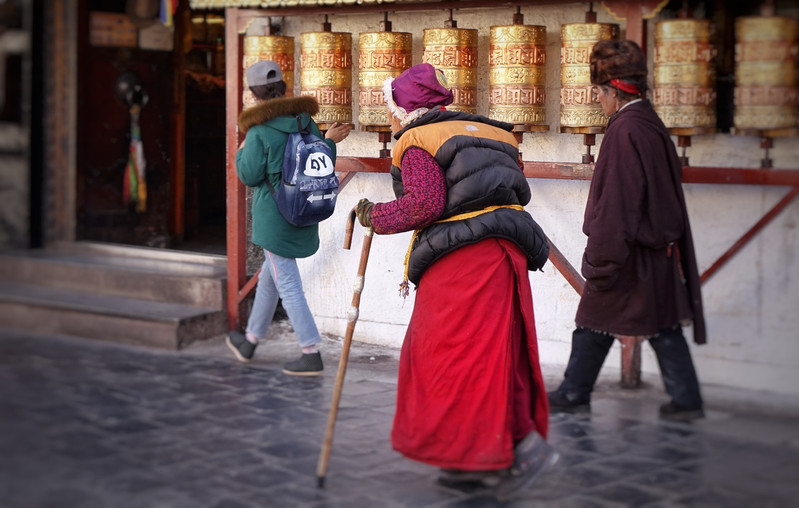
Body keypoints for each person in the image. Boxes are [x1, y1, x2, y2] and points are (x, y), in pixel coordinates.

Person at [355, 63, 557, 499]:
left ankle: (481, 455)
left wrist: (376, 215)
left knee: (450, 357)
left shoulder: (417, 139)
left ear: (406, 107)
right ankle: (492, 452)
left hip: (466, 261)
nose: (389, 117)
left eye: (390, 107)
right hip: (506, 252)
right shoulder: (493, 131)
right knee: (493, 354)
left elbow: (424, 204)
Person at [547, 40, 707, 421]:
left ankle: (574, 392)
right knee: (660, 323)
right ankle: (685, 400)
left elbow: (618, 203)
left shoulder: (625, 131)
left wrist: (602, 259)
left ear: (611, 91)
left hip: (629, 252)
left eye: (599, 93)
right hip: (655, 250)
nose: (598, 101)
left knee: (593, 320)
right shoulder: (648, 123)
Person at [226, 60, 351, 376]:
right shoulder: (303, 120)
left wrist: (242, 149)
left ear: (254, 94)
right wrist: (331, 141)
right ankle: (250, 341)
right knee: (271, 278)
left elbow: (249, 176)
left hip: (274, 216)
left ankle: (310, 352)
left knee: (288, 283)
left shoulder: (259, 129)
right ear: (282, 87)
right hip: (302, 208)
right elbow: (318, 163)